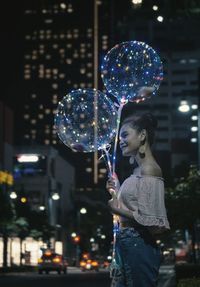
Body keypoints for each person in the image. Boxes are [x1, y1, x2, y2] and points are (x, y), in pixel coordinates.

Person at [106, 112, 170, 287]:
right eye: (119, 137)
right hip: (127, 242)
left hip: (138, 245)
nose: (121, 141)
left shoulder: (150, 169)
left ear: (142, 135)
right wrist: (117, 189)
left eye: (125, 135)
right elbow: (134, 206)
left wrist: (116, 209)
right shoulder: (137, 172)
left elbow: (148, 217)